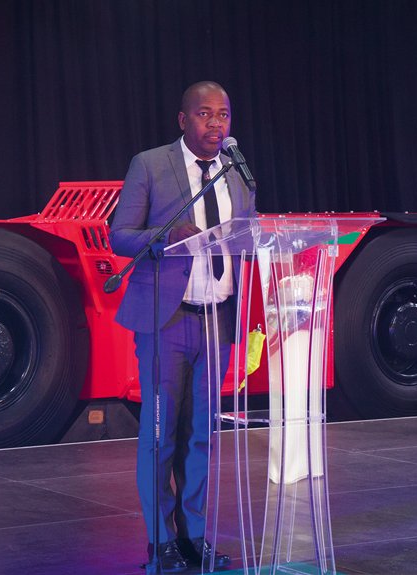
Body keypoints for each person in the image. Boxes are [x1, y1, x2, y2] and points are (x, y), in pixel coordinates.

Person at [110, 81, 257, 573]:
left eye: (224, 115)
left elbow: (248, 236)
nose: (217, 124)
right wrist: (165, 235)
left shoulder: (239, 174)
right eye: (205, 115)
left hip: (217, 319)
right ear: (183, 120)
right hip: (166, 321)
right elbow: (120, 236)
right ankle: (161, 540)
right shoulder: (151, 165)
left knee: (201, 436)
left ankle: (194, 536)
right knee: (160, 435)